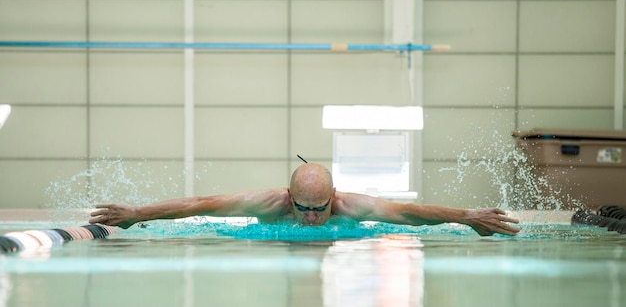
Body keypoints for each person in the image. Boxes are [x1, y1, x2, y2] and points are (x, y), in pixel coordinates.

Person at [89, 162, 520, 236]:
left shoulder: (353, 206)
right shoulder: (266, 203)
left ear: (333, 197)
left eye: (320, 208)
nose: (312, 218)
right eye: (303, 208)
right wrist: (138, 213)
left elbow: (412, 212)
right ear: (288, 197)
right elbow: (199, 205)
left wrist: (466, 216)